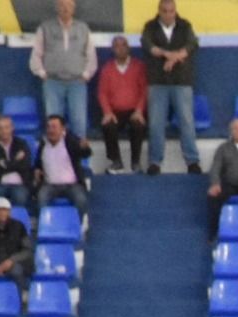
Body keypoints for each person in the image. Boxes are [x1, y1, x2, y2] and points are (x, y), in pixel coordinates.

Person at [141, 0, 201, 176]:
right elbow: (148, 46)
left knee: (187, 122)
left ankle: (192, 161)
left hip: (181, 81)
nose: (168, 14)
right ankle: (154, 162)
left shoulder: (185, 26)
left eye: (171, 11)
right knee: (156, 124)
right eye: (165, 11)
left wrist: (173, 59)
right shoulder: (150, 26)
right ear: (159, 11)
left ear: (175, 11)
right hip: (158, 82)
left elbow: (191, 45)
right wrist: (170, 55)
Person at [30, 0, 96, 135]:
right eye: (62, 5)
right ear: (56, 8)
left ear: (74, 8)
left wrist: (86, 74)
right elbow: (37, 52)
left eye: (69, 6)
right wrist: (42, 73)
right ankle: (55, 153)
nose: (65, 9)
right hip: (53, 82)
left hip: (77, 82)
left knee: (78, 120)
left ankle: (78, 153)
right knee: (53, 121)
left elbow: (90, 54)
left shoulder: (83, 28)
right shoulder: (45, 28)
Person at [98, 35, 148, 173]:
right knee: (108, 126)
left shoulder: (139, 66)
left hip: (134, 110)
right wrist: (108, 112)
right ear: (112, 49)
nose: (120, 49)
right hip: (115, 111)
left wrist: (139, 110)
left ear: (128, 47)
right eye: (117, 46)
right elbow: (102, 93)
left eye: (123, 45)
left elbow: (144, 90)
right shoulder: (107, 69)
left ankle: (135, 162)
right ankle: (116, 161)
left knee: (138, 126)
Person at [34, 114, 91, 217]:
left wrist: (84, 148)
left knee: (81, 199)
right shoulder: (43, 143)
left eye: (54, 127)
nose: (51, 130)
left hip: (72, 185)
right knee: (41, 198)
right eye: (48, 127)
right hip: (49, 185)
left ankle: (79, 224)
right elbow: (38, 162)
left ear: (63, 129)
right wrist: (37, 170)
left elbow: (84, 153)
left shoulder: (71, 141)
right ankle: (45, 224)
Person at [0, 115, 35, 208]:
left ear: (12, 128)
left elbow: (25, 166)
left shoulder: (21, 144)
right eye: (0, 128)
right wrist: (15, 161)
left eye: (6, 127)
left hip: (19, 184)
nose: (4, 131)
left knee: (21, 198)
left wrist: (4, 164)